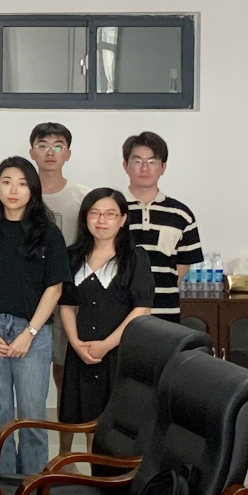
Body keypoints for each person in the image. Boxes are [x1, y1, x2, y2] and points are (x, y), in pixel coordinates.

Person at [0, 156, 70, 476]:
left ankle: (33, 488)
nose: (14, 190)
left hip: (32, 332)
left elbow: (54, 289)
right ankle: (4, 487)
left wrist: (30, 333)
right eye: (7, 182)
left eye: (22, 183)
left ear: (33, 190)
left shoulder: (48, 233)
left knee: (32, 417)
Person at [59, 188, 154, 440]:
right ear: (85, 217)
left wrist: (105, 345)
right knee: (83, 418)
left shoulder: (135, 258)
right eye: (95, 213)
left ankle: (106, 467)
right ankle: (80, 463)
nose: (101, 220)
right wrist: (75, 343)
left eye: (110, 214)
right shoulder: (72, 255)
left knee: (115, 427)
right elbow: (66, 304)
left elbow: (142, 309)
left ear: (123, 219)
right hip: (81, 349)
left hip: (119, 352)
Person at [28, 121, 92, 456]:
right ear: (32, 152)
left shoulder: (83, 197)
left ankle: (71, 453)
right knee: (40, 373)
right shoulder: (21, 191)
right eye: (42, 145)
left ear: (68, 153)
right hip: (31, 295)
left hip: (71, 297)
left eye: (57, 146)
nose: (50, 152)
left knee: (70, 372)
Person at [122, 131, 202, 323]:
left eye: (152, 161)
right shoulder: (111, 210)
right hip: (119, 312)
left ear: (163, 167)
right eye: (137, 161)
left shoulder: (181, 214)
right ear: (125, 165)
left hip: (166, 310)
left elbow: (183, 265)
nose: (144, 168)